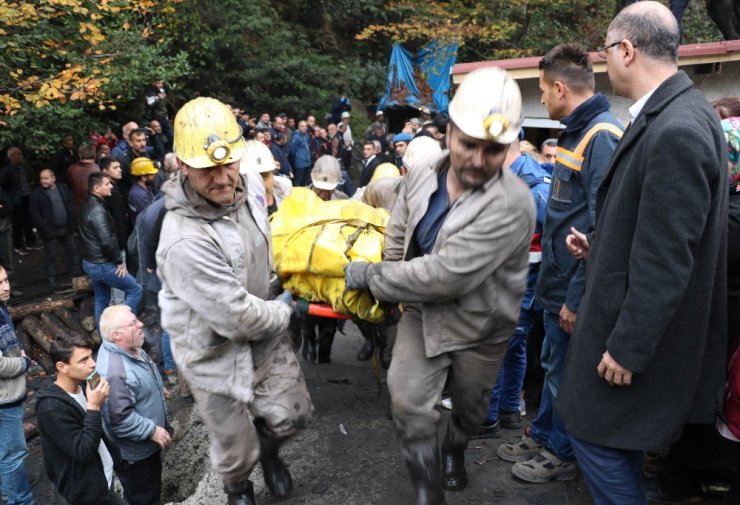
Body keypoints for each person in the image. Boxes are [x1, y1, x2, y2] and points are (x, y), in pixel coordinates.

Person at [557, 3, 728, 504]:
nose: (605, 63)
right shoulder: (673, 113)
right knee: (614, 441)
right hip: (629, 323)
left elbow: (669, 259)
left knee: (594, 438)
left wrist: (629, 347)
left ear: (626, 50)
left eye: (606, 51)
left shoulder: (676, 129)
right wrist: (601, 244)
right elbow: (656, 226)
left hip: (634, 341)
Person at [343, 67, 535, 504]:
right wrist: (389, 284)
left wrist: (373, 278)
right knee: (408, 401)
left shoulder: (513, 204)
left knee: (469, 409)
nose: (478, 160)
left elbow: (444, 276)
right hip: (421, 313)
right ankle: (428, 488)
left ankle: (456, 447)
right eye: (469, 144)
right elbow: (399, 225)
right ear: (449, 133)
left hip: (480, 325)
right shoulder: (425, 168)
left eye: (494, 150)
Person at [157, 97, 314, 505]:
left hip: (262, 325)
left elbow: (260, 251)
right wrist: (283, 309)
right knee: (234, 448)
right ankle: (238, 487)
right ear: (183, 167)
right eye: (209, 170)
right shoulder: (182, 239)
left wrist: (281, 278)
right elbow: (236, 316)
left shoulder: (250, 194)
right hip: (214, 347)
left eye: (228, 165)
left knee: (291, 416)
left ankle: (272, 452)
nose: (223, 179)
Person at [497, 42, 623, 484]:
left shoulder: (602, 137)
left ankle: (563, 453)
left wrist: (574, 297)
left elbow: (600, 228)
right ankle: (546, 434)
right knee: (553, 366)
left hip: (573, 290)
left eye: (543, 91)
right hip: (554, 285)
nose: (543, 99)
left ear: (560, 87)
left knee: (567, 374)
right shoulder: (573, 133)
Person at [475, 137, 550, 439]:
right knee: (513, 350)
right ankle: (507, 413)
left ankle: (486, 419)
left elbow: (545, 246)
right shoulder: (514, 180)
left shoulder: (535, 188)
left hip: (519, 287)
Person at [36, 333, 126, 505]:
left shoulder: (84, 384)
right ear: (62, 367)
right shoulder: (51, 409)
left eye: (91, 356)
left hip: (104, 482)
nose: (93, 364)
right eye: (83, 360)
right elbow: (83, 451)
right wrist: (94, 407)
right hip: (86, 495)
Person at [96, 305, 169, 505]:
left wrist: (155, 388)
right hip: (136, 457)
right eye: (133, 323)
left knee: (151, 490)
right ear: (116, 335)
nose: (141, 324)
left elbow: (139, 378)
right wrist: (152, 430)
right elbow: (119, 420)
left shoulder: (128, 348)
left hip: (144, 449)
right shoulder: (115, 373)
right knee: (144, 497)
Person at [79, 172, 142, 326]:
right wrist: (119, 262)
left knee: (102, 299)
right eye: (107, 184)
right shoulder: (97, 210)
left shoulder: (89, 204)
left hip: (91, 262)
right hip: (102, 264)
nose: (111, 186)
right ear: (96, 188)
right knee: (135, 289)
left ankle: (104, 336)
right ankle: (125, 325)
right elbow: (106, 241)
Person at [0, 265, 36, 505]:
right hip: (4, 398)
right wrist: (22, 363)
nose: (6, 287)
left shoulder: (2, 308)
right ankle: (21, 501)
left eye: (6, 280)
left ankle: (7, 488)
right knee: (13, 456)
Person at [29, 169, 82, 291]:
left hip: (66, 228)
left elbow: (70, 205)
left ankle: (76, 274)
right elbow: (35, 213)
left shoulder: (62, 188)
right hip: (50, 231)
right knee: (50, 255)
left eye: (46, 178)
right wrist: (44, 227)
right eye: (41, 178)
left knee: (72, 251)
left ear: (53, 178)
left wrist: (72, 223)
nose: (43, 181)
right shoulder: (37, 194)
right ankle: (51, 279)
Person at [0, 147, 38, 255]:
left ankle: (31, 242)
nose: (21, 156)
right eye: (18, 154)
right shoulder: (6, 170)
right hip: (15, 201)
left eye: (21, 154)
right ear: (12, 157)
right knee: (17, 224)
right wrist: (9, 198)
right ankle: (19, 245)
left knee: (28, 221)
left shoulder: (22, 168)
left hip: (26, 197)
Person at [66, 144, 101, 218]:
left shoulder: (71, 169)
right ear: (94, 155)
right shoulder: (98, 169)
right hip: (95, 207)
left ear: (79, 155)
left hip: (77, 208)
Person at [128, 157, 158, 224]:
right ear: (144, 177)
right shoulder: (139, 195)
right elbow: (151, 217)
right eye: (152, 174)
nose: (154, 175)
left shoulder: (143, 188)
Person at [289, 120, 312, 187]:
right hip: (300, 163)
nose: (304, 128)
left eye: (305, 126)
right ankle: (295, 195)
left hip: (307, 162)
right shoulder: (296, 137)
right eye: (302, 126)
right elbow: (292, 151)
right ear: (298, 127)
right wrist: (298, 158)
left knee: (306, 181)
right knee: (298, 180)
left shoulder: (306, 135)